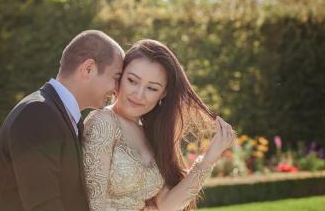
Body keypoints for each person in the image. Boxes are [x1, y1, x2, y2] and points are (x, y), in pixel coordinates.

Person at [82, 39, 235, 211]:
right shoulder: (103, 123)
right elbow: (91, 204)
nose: (139, 95)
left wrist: (209, 159)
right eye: (132, 80)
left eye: (152, 88)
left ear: (164, 93)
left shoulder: (150, 134)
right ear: (120, 77)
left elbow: (166, 206)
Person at [0, 30, 124, 211]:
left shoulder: (62, 116)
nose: (117, 90)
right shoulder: (37, 114)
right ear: (88, 69)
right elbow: (44, 205)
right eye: (116, 77)